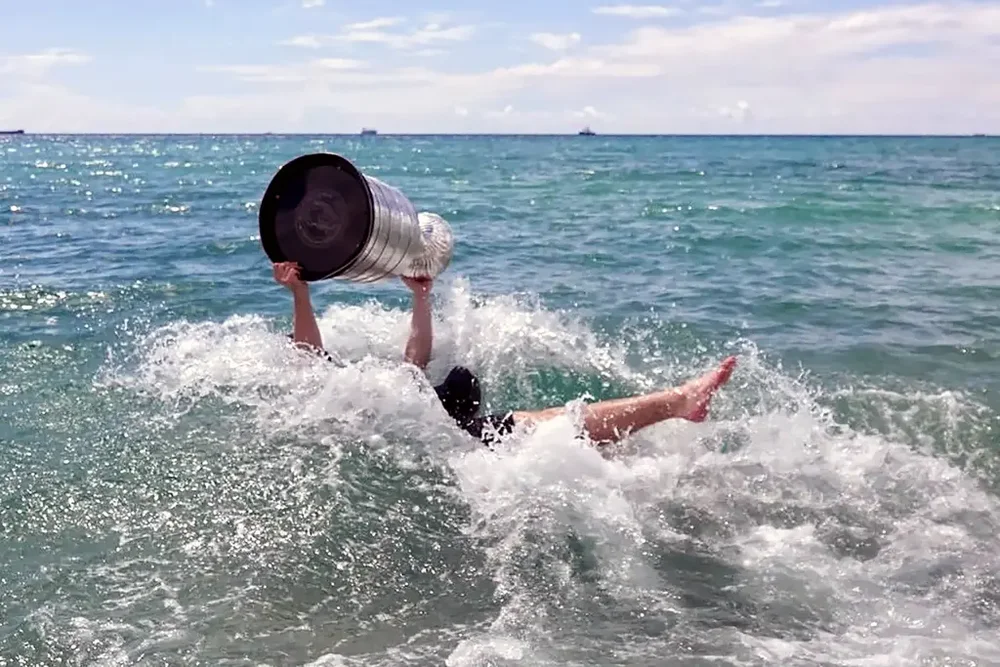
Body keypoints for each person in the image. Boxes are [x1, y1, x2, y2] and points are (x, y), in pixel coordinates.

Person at [272, 261, 737, 447]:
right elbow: (309, 354)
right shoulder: (344, 392)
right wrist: (299, 295)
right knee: (557, 425)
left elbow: (414, 358)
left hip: (446, 420)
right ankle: (678, 402)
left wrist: (419, 296)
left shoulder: (376, 388)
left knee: (553, 427)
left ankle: (673, 406)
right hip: (449, 430)